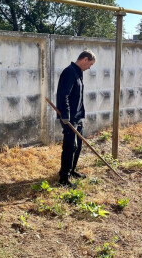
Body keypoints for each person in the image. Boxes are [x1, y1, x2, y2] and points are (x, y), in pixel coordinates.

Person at [56, 50, 96, 188]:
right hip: (69, 118)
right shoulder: (69, 72)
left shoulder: (78, 73)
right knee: (69, 146)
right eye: (90, 64)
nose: (89, 67)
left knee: (77, 146)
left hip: (78, 116)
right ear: (84, 59)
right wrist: (66, 116)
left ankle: (72, 170)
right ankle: (63, 178)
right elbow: (63, 95)